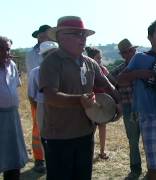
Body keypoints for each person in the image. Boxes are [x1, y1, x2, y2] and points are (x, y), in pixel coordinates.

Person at [39, 16, 120, 180]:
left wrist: (118, 102)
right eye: (77, 34)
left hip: (85, 133)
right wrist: (79, 100)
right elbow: (50, 96)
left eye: (84, 35)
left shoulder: (90, 63)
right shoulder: (51, 62)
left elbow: (106, 84)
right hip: (59, 137)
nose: (83, 39)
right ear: (60, 36)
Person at [118, 20, 156, 180]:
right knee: (153, 165)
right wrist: (140, 74)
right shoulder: (140, 58)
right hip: (147, 116)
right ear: (150, 37)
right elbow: (121, 79)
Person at [111, 38, 142, 179]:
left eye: (131, 50)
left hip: (145, 107)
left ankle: (152, 169)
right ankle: (135, 169)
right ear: (123, 55)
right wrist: (117, 99)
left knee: (149, 139)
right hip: (130, 107)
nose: (130, 53)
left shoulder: (143, 67)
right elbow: (109, 81)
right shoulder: (118, 71)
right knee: (133, 140)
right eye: (126, 52)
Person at [0, 36, 28, 180]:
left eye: (8, 49)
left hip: (12, 117)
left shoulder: (12, 65)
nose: (6, 53)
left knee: (13, 159)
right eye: (2, 49)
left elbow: (15, 86)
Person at [25, 24, 51, 172]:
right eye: (42, 35)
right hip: (37, 95)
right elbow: (32, 76)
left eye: (47, 35)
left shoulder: (55, 50)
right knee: (37, 128)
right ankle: (39, 158)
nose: (44, 37)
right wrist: (33, 98)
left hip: (53, 96)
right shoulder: (31, 54)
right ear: (39, 36)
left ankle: (51, 156)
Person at [85, 46, 112, 160]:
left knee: (102, 126)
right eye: (97, 58)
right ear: (91, 58)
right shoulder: (86, 70)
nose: (100, 60)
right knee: (91, 128)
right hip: (91, 102)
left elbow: (109, 84)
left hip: (103, 102)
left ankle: (102, 151)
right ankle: (88, 152)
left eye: (100, 58)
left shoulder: (104, 70)